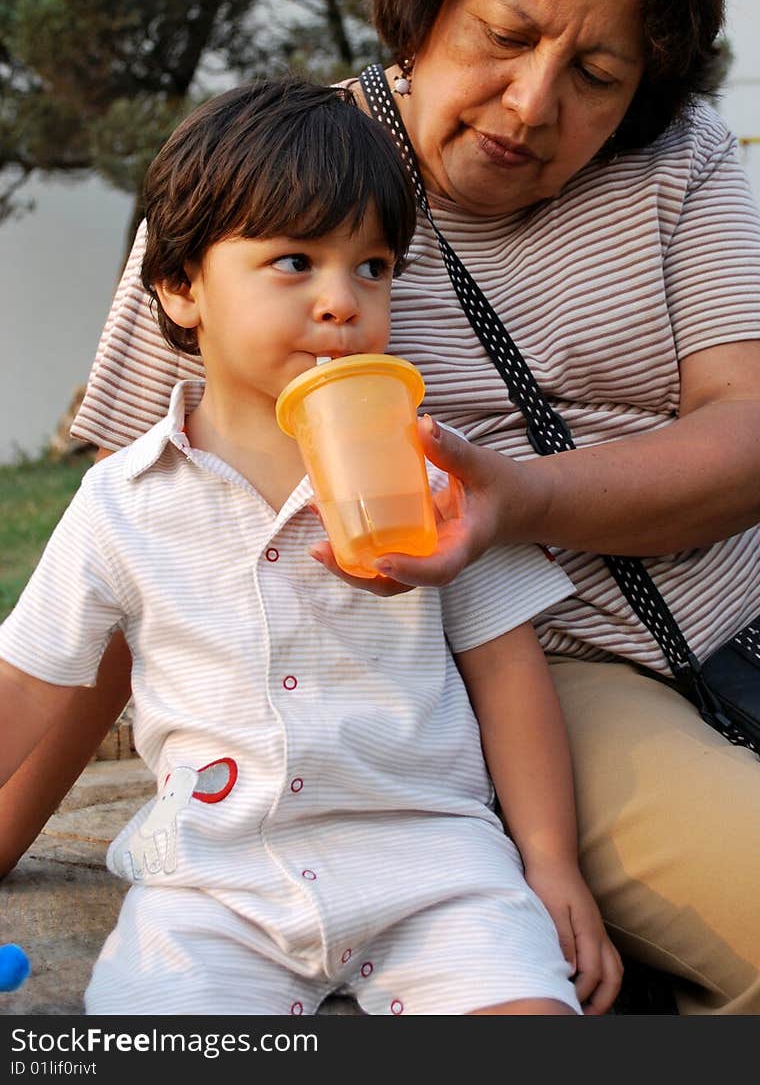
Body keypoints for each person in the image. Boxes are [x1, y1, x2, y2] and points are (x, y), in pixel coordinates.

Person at [3, 0, 760, 1014]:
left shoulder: (681, 161)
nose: (534, 105)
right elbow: (137, 562)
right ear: (425, 3)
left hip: (747, 633)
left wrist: (516, 493)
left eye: (599, 71)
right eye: (506, 35)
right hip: (531, 663)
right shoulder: (281, 194)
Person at [0, 77, 622, 1017]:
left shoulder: (432, 475)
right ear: (178, 288)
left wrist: (550, 862)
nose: (343, 300)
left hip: (440, 874)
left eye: (372, 267)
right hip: (215, 893)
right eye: (294, 261)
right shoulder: (121, 502)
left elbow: (506, 670)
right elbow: (26, 685)